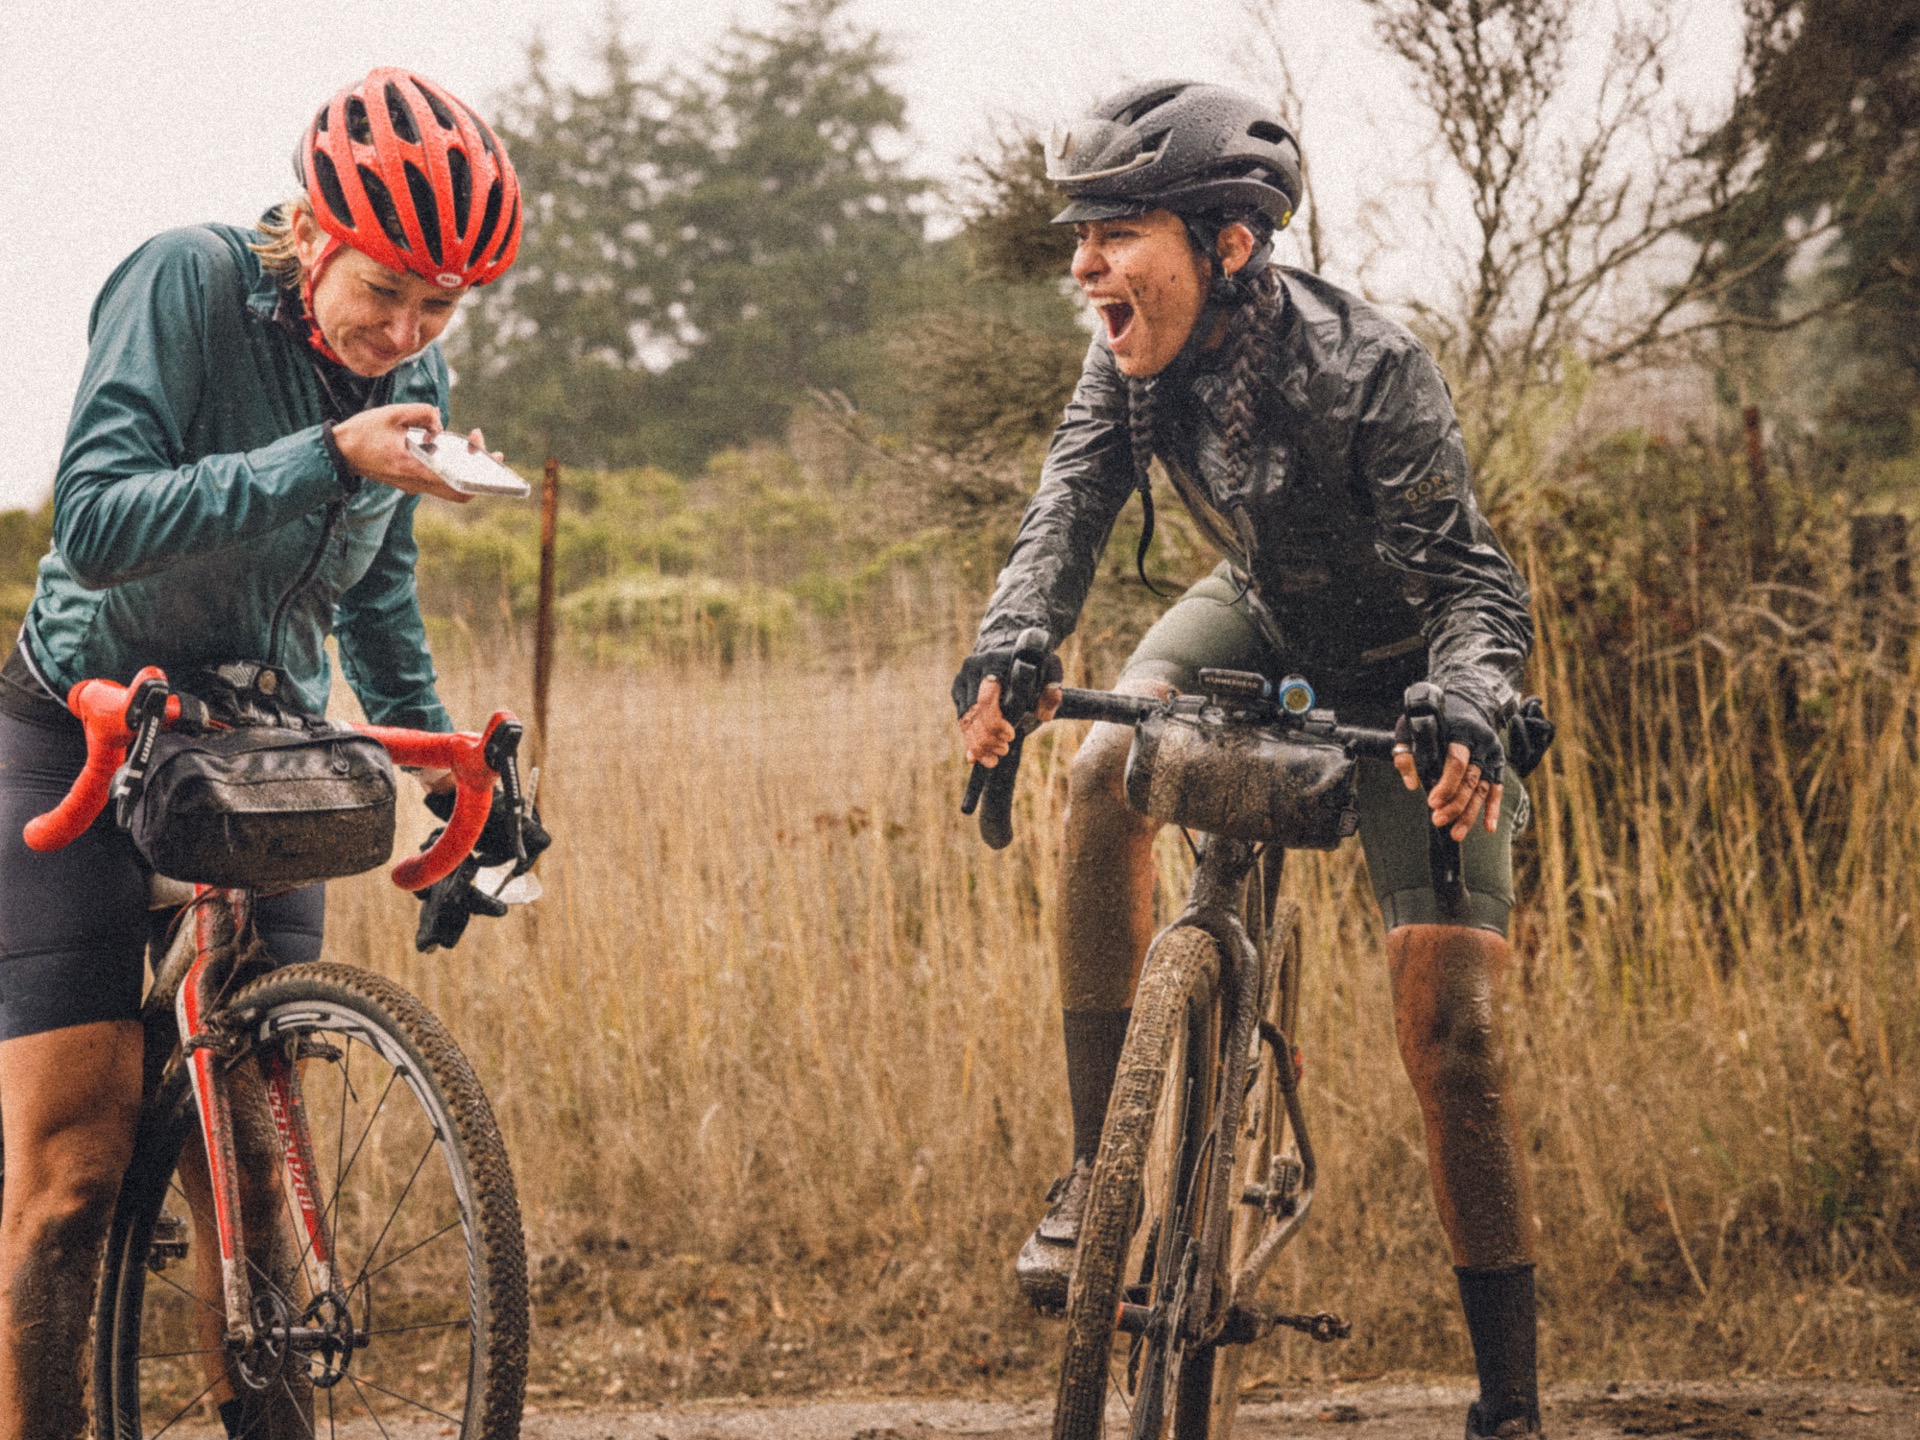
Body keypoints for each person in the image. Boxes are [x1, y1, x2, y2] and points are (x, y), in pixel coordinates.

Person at [953, 81, 1547, 1439]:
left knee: (1453, 1030)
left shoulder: (1371, 368)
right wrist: (1010, 648)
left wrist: (1463, 706)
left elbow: (1479, 590)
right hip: (1263, 611)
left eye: (1116, 233)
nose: (1084, 266)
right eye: (1077, 236)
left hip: (1411, 670)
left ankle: (1509, 1400)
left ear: (1227, 244)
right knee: (1097, 769)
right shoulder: (1125, 365)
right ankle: (1109, 1183)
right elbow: (1065, 516)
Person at [0, 68, 525, 1440]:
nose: (405, 333)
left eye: (440, 309)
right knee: (72, 1175)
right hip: (83, 732)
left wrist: (442, 762)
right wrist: (329, 454)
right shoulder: (182, 282)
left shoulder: (411, 368)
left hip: (257, 750)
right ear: (312, 229)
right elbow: (97, 523)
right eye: (389, 290)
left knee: (253, 1161)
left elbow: (379, 583)